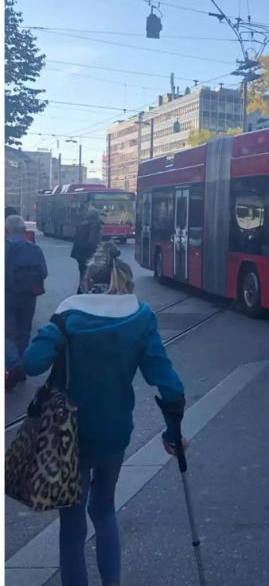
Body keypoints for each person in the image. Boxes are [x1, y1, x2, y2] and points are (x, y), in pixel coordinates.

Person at [23, 244, 186, 586]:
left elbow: (32, 363)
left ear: (87, 281)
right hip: (114, 433)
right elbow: (169, 384)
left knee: (72, 523)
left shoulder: (67, 317)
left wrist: (52, 332)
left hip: (71, 438)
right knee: (104, 509)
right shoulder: (141, 318)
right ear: (125, 283)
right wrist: (173, 433)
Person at [5, 215, 47, 390]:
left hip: (7, 296)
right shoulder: (34, 249)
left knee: (6, 333)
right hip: (29, 297)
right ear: (23, 230)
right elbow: (43, 272)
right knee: (24, 331)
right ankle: (20, 366)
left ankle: (14, 365)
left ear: (7, 230)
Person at [70, 208, 102, 293]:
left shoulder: (81, 225)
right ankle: (84, 293)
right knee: (89, 276)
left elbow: (75, 238)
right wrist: (98, 250)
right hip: (89, 255)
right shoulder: (95, 224)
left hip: (79, 254)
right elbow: (92, 240)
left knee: (83, 274)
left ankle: (80, 292)